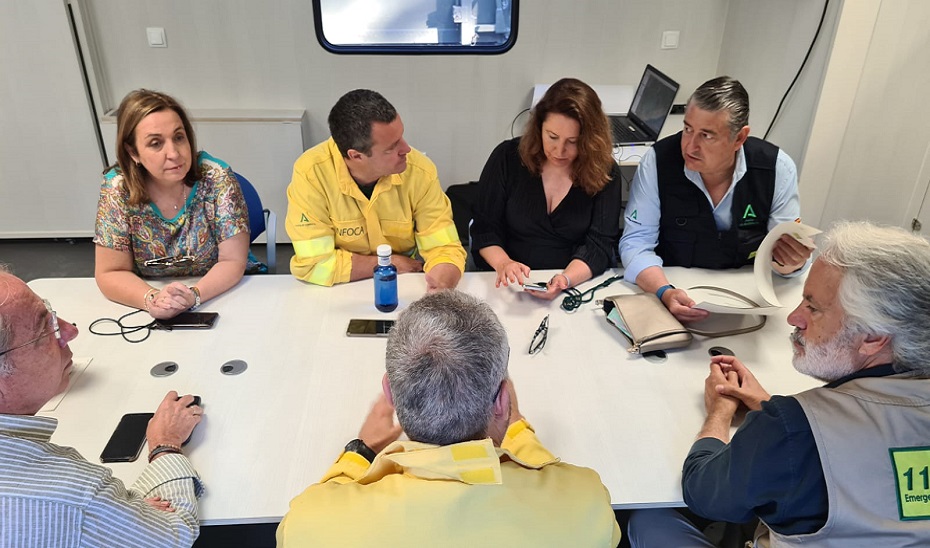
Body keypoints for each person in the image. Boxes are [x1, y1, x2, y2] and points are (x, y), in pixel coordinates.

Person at [627, 221, 930, 547]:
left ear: (872, 338)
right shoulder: (795, 431)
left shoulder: (790, 429)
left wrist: (719, 413)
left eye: (813, 307)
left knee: (648, 521)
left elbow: (703, 492)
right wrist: (767, 405)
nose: (794, 317)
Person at [277, 290, 620, 546]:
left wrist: (359, 450)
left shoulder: (309, 526)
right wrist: (516, 431)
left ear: (390, 394)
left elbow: (325, 496)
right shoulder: (585, 505)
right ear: (502, 401)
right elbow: (551, 476)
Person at [0, 267, 204, 546]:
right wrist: (165, 445)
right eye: (44, 329)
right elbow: (173, 533)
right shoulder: (74, 498)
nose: (70, 331)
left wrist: (117, 513)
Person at [619, 76, 813, 322]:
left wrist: (791, 263)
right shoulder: (658, 162)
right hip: (674, 290)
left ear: (739, 138)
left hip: (748, 298)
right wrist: (663, 291)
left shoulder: (776, 169)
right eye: (688, 129)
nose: (690, 146)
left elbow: (784, 259)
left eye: (707, 136)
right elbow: (635, 243)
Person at [94, 89, 252, 320]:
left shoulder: (216, 177)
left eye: (179, 137)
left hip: (220, 293)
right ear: (132, 152)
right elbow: (110, 272)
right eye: (156, 143)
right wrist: (154, 300)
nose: (174, 153)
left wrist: (193, 296)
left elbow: (233, 260)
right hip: (149, 292)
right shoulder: (117, 188)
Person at [286, 89, 466, 290]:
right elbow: (313, 265)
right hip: (339, 290)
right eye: (392, 147)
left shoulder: (420, 171)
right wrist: (390, 264)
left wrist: (442, 282)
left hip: (403, 284)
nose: (406, 149)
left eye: (402, 136)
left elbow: (444, 247)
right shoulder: (311, 174)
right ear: (356, 156)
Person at [471, 78, 623, 301]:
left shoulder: (605, 171)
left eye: (573, 141)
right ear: (538, 127)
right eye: (552, 137)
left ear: (590, 140)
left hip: (574, 284)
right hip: (509, 284)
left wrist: (565, 280)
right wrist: (504, 263)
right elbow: (484, 229)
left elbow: (599, 245)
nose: (560, 150)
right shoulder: (507, 158)